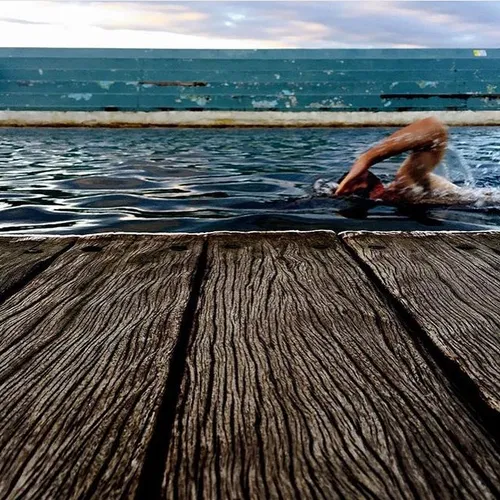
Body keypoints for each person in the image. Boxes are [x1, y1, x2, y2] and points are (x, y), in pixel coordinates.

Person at [333, 116, 462, 202]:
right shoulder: (406, 188)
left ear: (378, 188)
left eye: (362, 194)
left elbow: (435, 128)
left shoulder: (404, 183)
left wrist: (366, 159)